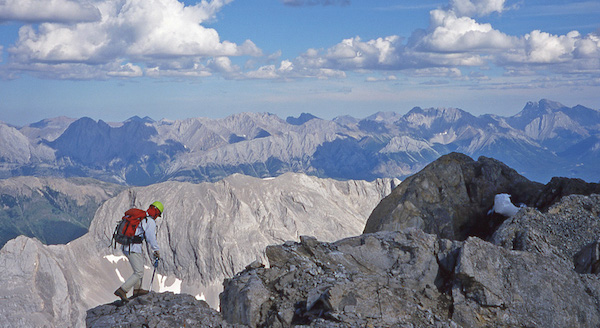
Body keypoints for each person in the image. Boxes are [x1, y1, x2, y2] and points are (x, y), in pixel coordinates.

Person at [114, 201, 163, 302]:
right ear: (157, 213)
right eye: (158, 215)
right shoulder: (149, 221)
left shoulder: (142, 217)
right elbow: (150, 237)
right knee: (139, 272)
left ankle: (137, 290)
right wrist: (156, 249)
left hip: (128, 246)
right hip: (133, 248)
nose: (157, 217)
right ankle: (122, 290)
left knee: (140, 268)